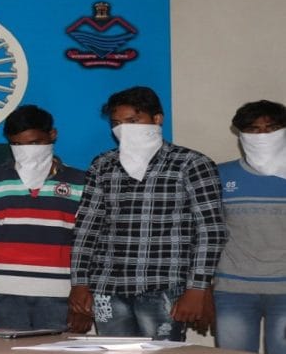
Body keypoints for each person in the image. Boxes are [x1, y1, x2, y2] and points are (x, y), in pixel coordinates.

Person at [69, 86, 228, 341]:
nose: (124, 129)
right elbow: (87, 228)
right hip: (107, 286)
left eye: (133, 121)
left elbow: (210, 231)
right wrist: (79, 282)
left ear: (157, 119)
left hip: (164, 286)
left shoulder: (191, 164)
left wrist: (197, 288)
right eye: (117, 124)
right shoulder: (103, 164)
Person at [0, 105, 91, 332]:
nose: (27, 151)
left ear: (52, 135)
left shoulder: (80, 181)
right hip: (3, 292)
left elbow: (87, 244)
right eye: (17, 145)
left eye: (35, 143)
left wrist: (83, 294)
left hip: (60, 293)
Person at [211, 100, 286, 354]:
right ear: (241, 133)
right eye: (254, 129)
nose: (263, 135)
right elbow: (207, 233)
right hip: (233, 290)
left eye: (271, 128)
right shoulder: (220, 175)